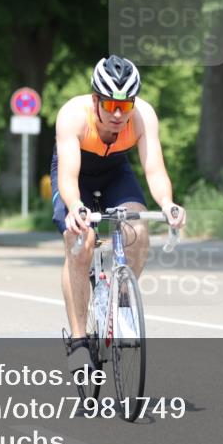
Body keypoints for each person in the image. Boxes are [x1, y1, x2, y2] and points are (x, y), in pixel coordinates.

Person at [52, 55, 186, 374]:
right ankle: (79, 339)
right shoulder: (72, 115)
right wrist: (75, 208)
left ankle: (122, 301)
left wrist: (167, 204)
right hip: (77, 175)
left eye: (124, 106)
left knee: (138, 230)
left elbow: (154, 170)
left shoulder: (143, 117)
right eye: (110, 104)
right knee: (80, 242)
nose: (117, 114)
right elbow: (69, 177)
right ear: (96, 99)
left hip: (115, 172)